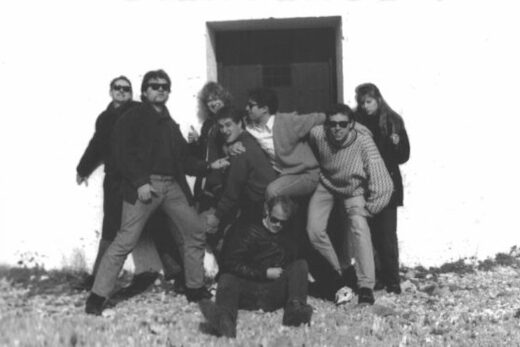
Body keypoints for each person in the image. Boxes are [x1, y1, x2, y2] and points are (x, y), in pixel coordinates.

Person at [85, 69, 229, 315]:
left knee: (195, 231)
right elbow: (121, 151)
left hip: (171, 185)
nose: (160, 89)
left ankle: (195, 288)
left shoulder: (168, 122)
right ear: (144, 91)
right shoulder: (133, 116)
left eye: (164, 86)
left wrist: (208, 166)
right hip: (145, 186)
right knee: (125, 240)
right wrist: (140, 181)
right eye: (154, 85)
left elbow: (183, 157)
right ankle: (96, 298)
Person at [307, 103, 394, 305]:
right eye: (333, 124)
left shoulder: (364, 142)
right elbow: (306, 130)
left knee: (359, 228)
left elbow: (383, 181)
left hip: (354, 188)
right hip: (327, 183)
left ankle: (365, 286)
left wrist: (371, 207)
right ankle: (340, 275)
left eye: (343, 124)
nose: (337, 128)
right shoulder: (319, 134)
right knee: (314, 230)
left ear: (351, 125)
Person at [199, 196, 313, 338]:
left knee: (301, 265)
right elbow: (230, 264)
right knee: (227, 278)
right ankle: (225, 321)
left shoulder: (287, 235)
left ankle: (295, 313)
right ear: (267, 211)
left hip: (273, 292)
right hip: (248, 290)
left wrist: (299, 276)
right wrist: (264, 273)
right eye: (274, 220)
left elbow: (294, 261)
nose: (277, 225)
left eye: (282, 222)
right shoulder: (247, 231)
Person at [76, 76, 139, 288]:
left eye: (126, 89)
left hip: (137, 178)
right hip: (114, 179)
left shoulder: (138, 112)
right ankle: (98, 278)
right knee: (110, 226)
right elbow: (97, 145)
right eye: (117, 88)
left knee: (156, 222)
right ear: (111, 91)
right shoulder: (104, 118)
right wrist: (83, 168)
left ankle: (176, 275)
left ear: (131, 93)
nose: (122, 92)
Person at [354, 83, 410, 294]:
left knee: (387, 234)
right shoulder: (357, 122)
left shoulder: (393, 121)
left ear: (377, 99)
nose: (365, 106)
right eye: (362, 102)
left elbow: (404, 156)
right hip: (366, 185)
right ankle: (375, 277)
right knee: (370, 234)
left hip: (388, 184)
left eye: (368, 101)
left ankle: (392, 279)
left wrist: (396, 143)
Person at [205, 106, 278, 236]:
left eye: (228, 125)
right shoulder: (245, 139)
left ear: (240, 123)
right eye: (221, 127)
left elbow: (232, 191)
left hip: (261, 206)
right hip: (252, 201)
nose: (224, 130)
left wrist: (216, 217)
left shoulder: (241, 151)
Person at [243, 87, 325, 199]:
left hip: (306, 174)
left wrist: (352, 126)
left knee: (272, 190)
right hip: (281, 173)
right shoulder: (249, 127)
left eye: (251, 105)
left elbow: (321, 118)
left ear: (264, 109)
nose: (246, 108)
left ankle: (266, 216)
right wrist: (234, 145)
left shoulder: (287, 122)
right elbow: (236, 134)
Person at [188, 82, 232, 213]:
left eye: (217, 98)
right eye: (209, 101)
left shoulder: (232, 119)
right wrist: (196, 141)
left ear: (224, 98)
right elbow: (203, 152)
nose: (214, 103)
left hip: (224, 177)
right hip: (207, 177)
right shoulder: (207, 123)